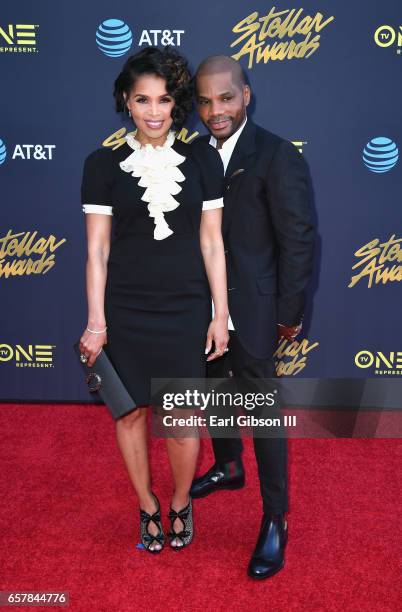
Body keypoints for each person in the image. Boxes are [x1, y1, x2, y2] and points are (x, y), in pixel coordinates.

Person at [78, 47, 229, 553]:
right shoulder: (102, 164)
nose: (154, 111)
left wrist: (220, 313)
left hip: (186, 308)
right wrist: (96, 322)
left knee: (184, 423)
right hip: (126, 309)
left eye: (164, 100)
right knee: (131, 415)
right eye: (143, 99)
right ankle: (146, 504)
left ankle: (181, 501)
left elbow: (212, 242)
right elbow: (97, 250)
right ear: (126, 99)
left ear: (176, 105)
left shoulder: (203, 159)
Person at [190, 55, 315, 578]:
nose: (215, 110)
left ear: (246, 95)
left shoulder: (277, 156)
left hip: (257, 310)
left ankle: (275, 518)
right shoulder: (192, 155)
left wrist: (287, 314)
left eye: (225, 97)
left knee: (263, 415)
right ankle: (228, 464)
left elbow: (299, 240)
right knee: (214, 387)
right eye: (204, 101)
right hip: (203, 309)